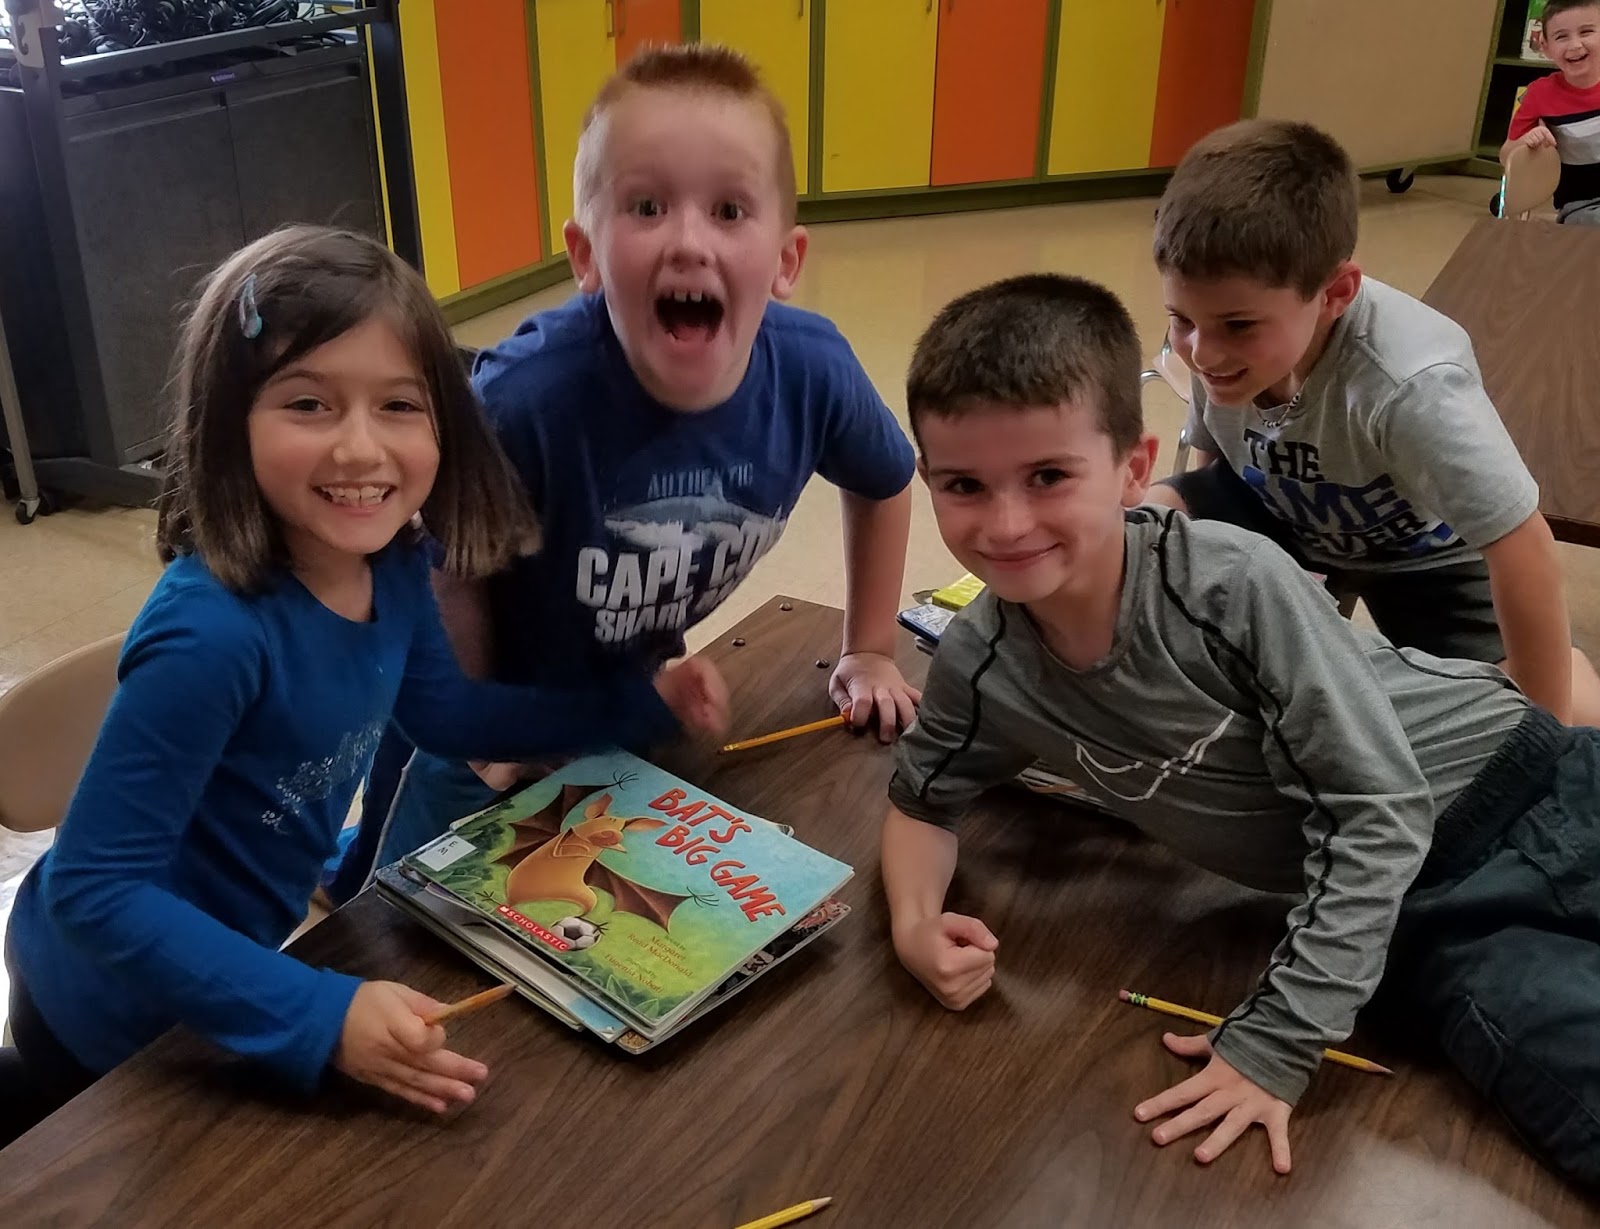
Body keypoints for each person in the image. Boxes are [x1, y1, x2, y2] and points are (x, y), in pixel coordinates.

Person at [0, 226, 728, 1148]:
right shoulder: (211, 634)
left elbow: (446, 712)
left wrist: (633, 704)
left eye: (397, 405)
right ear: (230, 425)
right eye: (308, 403)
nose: (359, 448)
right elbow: (98, 891)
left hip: (228, 975)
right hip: (101, 1018)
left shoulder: (390, 564)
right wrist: (319, 1012)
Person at [882, 273, 1600, 1188]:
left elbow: (1374, 814)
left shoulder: (1230, 583)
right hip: (1416, 917)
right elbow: (919, 799)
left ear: (1136, 468)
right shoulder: (982, 663)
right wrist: (913, 923)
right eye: (964, 486)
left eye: (1050, 476)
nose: (1007, 521)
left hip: (1534, 782)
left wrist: (1275, 1045)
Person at [327, 44, 920, 904]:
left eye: (728, 209)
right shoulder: (523, 399)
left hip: (620, 685)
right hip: (478, 696)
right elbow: (444, 564)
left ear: (786, 260)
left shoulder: (812, 371)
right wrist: (492, 731)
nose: (688, 239)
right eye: (647, 206)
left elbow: (886, 478)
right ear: (586, 253)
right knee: (396, 915)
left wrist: (868, 646)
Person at [1142, 118, 1600, 725]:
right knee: (1146, 523)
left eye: (1238, 326)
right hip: (1281, 506)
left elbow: (1523, 546)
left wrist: (1544, 724)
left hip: (1417, 553)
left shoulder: (1410, 385)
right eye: (1182, 319)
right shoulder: (1220, 338)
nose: (1201, 352)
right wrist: (1217, 570)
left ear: (1336, 293)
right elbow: (1213, 464)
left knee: (1542, 705)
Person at [1502, 0, 1600, 225]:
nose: (1575, 45)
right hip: (1581, 205)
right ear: (1544, 47)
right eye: (1561, 36)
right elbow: (1507, 156)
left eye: (1586, 31)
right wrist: (1527, 142)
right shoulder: (1540, 94)